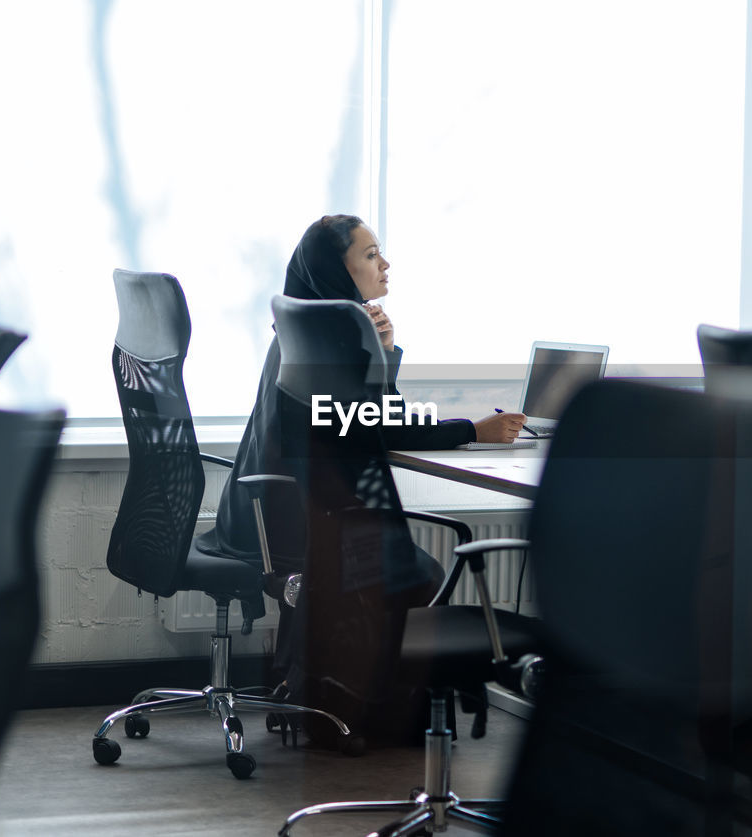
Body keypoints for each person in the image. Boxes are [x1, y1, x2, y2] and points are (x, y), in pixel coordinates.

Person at [196, 214, 524, 679]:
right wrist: (474, 430)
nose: (385, 265)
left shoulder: (299, 325)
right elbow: (386, 427)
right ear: (336, 271)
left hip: (263, 513)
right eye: (370, 256)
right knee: (425, 574)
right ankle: (360, 697)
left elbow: (363, 417)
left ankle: (311, 683)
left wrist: (382, 351)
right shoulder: (332, 337)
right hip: (300, 523)